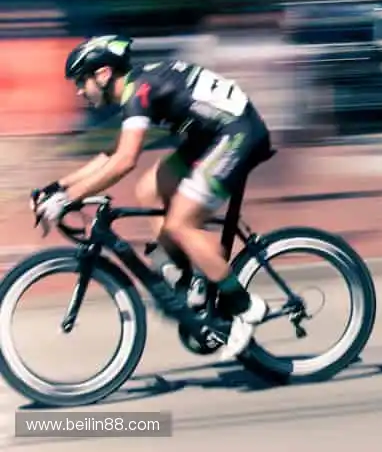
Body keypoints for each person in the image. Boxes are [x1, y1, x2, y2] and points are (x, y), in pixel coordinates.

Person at [32, 35, 272, 361]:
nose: (78, 90)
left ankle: (245, 306)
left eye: (81, 80)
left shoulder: (139, 91)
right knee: (149, 189)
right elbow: (113, 154)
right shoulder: (137, 88)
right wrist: (59, 187)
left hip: (237, 133)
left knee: (181, 224)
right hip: (210, 135)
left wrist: (69, 198)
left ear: (103, 75)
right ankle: (189, 279)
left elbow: (125, 160)